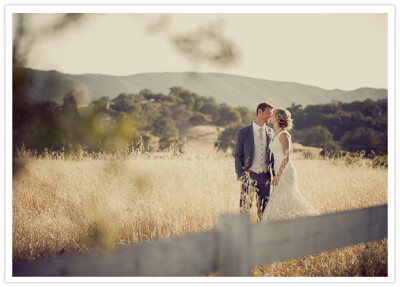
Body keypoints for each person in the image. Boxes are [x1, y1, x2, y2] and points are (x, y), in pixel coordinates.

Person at [262, 108, 319, 223]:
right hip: (277, 169)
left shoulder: (284, 134)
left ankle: (313, 220)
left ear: (277, 118)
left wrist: (278, 175)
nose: (270, 116)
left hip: (285, 171)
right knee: (279, 199)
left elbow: (286, 157)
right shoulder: (275, 133)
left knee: (291, 196)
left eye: (272, 115)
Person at [235, 102, 275, 221]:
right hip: (249, 176)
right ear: (259, 112)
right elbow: (237, 155)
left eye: (271, 114)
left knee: (264, 212)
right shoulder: (243, 132)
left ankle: (262, 237)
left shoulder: (271, 132)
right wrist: (241, 175)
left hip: (266, 179)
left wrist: (275, 175)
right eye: (268, 113)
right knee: (244, 211)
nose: (270, 116)